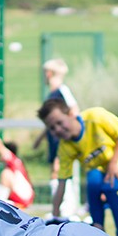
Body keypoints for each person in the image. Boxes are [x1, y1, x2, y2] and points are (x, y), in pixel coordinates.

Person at [37, 98, 118, 236]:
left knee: (109, 187)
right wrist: (55, 216)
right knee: (93, 184)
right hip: (101, 161)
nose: (57, 129)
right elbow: (62, 183)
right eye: (51, 128)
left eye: (59, 122)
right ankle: (99, 234)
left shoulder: (95, 117)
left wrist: (113, 163)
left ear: (70, 114)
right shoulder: (65, 147)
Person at [33, 58, 82, 219]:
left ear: (49, 73)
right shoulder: (52, 94)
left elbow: (74, 110)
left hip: (62, 142)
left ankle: (68, 210)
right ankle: (60, 209)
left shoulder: (62, 90)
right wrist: (40, 138)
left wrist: (69, 135)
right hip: (54, 141)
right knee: (55, 173)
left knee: (59, 172)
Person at [0, 116, 35, 209]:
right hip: (22, 199)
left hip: (22, 201)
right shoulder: (16, 163)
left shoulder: (13, 161)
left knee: (6, 174)